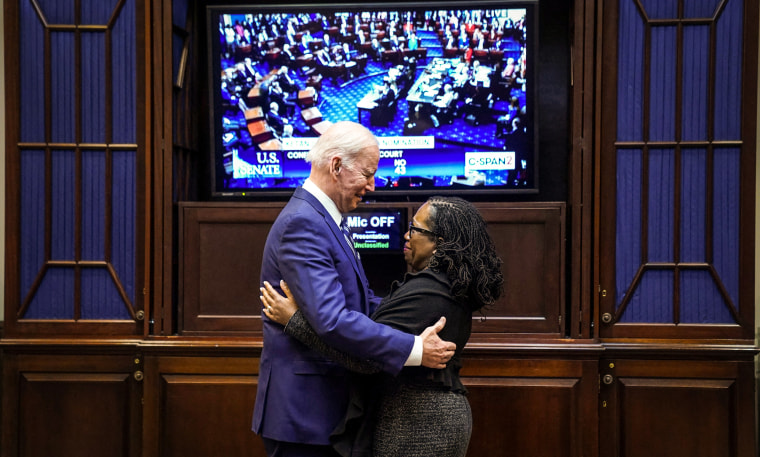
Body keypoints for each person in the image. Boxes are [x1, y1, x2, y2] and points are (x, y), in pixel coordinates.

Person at [252, 121, 457, 457]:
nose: (372, 186)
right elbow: (332, 320)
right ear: (336, 166)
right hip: (305, 418)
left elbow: (357, 299)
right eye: (367, 173)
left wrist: (414, 314)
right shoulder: (303, 223)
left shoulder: (323, 217)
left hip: (323, 412)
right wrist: (414, 348)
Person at [262, 196, 504, 457]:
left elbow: (365, 358)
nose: (406, 235)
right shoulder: (440, 285)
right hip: (420, 418)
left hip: (421, 425)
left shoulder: (430, 292)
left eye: (415, 229)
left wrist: (294, 320)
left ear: (439, 243)